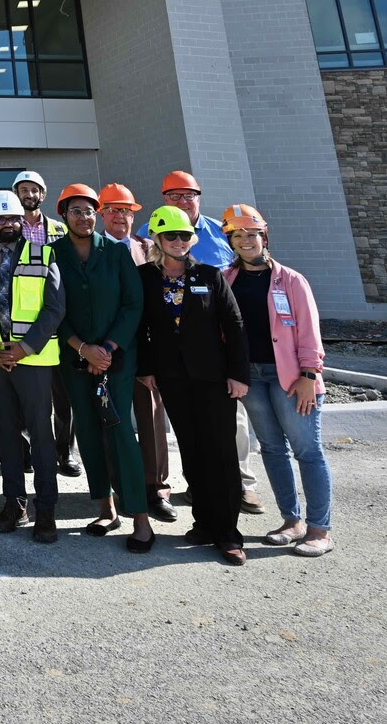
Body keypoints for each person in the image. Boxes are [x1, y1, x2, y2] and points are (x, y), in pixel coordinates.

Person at [135, 206, 252, 566]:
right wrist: (146, 369)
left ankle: (229, 533)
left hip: (214, 379)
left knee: (221, 453)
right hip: (171, 378)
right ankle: (203, 522)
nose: (179, 241)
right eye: (171, 235)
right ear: (157, 239)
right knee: (192, 450)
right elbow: (140, 328)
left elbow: (234, 325)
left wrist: (238, 374)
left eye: (185, 235)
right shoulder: (144, 278)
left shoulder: (210, 275)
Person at [141, 171, 262, 513]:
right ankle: (199, 491)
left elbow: (234, 314)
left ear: (199, 197)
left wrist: (238, 369)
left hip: (218, 355)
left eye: (188, 195)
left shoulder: (222, 234)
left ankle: (239, 486)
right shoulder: (149, 243)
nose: (182, 201)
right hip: (173, 365)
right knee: (188, 432)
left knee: (229, 430)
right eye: (174, 195)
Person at [222, 204, 335, 558]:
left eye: (251, 234)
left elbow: (310, 332)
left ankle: (319, 529)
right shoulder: (227, 280)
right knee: (271, 449)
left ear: (264, 236)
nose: (246, 240)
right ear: (231, 241)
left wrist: (308, 375)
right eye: (238, 235)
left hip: (290, 378)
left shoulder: (291, 280)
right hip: (251, 378)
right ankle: (292, 521)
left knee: (307, 451)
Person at [50, 183, 154, 553]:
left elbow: (133, 304)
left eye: (89, 211)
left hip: (116, 359)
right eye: (76, 210)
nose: (84, 216)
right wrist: (82, 348)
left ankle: (139, 517)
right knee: (89, 432)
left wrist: (106, 348)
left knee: (121, 431)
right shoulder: (53, 253)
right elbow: (50, 308)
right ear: (63, 215)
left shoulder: (115, 252)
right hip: (74, 358)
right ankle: (104, 508)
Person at [0, 190, 65, 543]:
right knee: (6, 433)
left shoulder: (44, 253)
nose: (8, 224)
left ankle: (46, 509)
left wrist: (23, 348)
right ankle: (14, 503)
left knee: (40, 435)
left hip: (33, 360)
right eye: (1, 219)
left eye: (14, 218)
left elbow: (55, 309)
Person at [101, 182, 175, 523]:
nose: (121, 216)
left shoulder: (151, 248)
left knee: (151, 421)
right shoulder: (95, 249)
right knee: (112, 421)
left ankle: (156, 488)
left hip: (146, 351)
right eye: (114, 210)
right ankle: (120, 488)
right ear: (102, 214)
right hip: (106, 351)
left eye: (127, 211)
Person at [12, 169, 76, 478]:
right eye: (23, 189)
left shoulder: (60, 230)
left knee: (63, 395)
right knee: (27, 398)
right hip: (24, 324)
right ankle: (27, 451)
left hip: (57, 318)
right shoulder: (10, 228)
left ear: (43, 194)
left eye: (34, 189)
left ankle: (64, 452)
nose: (28, 193)